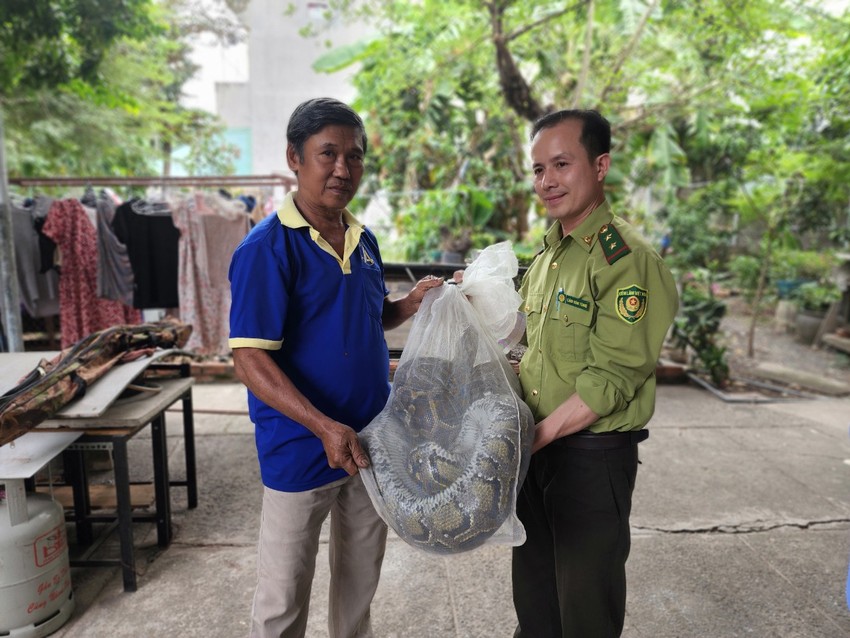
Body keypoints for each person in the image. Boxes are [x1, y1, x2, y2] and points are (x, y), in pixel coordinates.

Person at [228, 97, 443, 638]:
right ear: (294, 158)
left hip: (371, 444)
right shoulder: (268, 248)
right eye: (328, 153)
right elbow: (249, 357)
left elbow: (369, 317)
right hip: (299, 447)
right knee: (283, 592)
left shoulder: (363, 241)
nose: (344, 169)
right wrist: (324, 426)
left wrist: (410, 302)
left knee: (359, 582)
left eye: (356, 155)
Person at [511, 109, 679, 637]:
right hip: (536, 452)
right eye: (538, 169)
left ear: (600, 165)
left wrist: (529, 440)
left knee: (585, 610)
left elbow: (613, 375)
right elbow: (532, 350)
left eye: (562, 164)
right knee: (535, 601)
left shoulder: (625, 260)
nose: (547, 181)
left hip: (589, 458)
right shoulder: (549, 254)